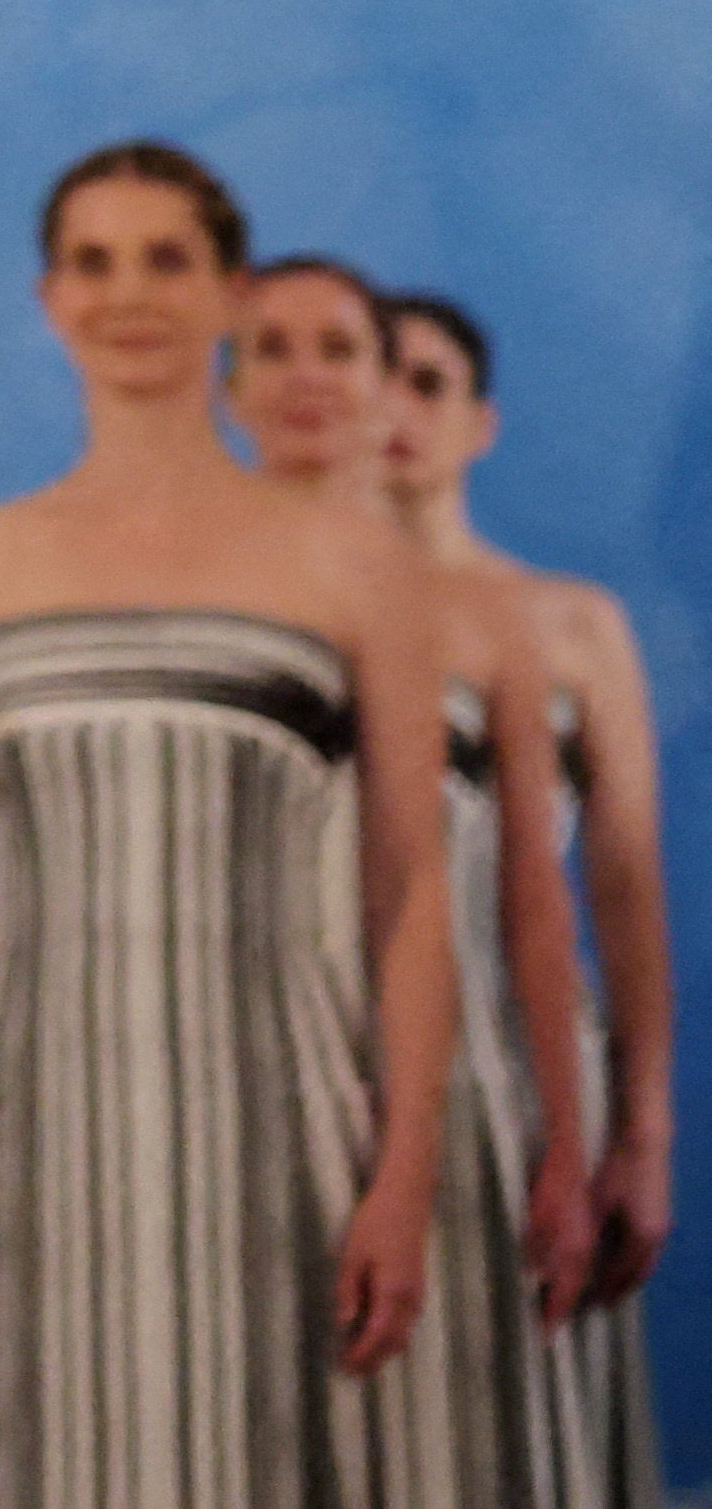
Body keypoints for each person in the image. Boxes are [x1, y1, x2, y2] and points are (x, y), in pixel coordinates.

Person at [0, 144, 453, 1506]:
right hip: (18, 1133)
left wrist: (404, 1174)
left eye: (164, 260)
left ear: (227, 293)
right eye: (92, 261)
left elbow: (408, 890)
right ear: (46, 297)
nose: (126, 293)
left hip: (275, 1131)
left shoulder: (353, 562)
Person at [232, 257, 580, 1502]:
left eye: (340, 353)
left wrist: (571, 1140)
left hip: (446, 1087)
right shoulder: (179, 596)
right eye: (269, 350)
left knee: (436, 1447)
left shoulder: (483, 624)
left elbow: (536, 902)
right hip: (235, 1075)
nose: (308, 382)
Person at [386, 286, 669, 1504]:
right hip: (321, 1063)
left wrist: (638, 1134)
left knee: (512, 1429)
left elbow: (621, 886)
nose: (392, 407)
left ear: (479, 422)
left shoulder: (568, 624)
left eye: (427, 381)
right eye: (372, 372)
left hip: (519, 1076)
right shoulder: (270, 622)